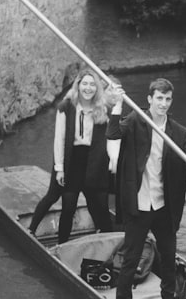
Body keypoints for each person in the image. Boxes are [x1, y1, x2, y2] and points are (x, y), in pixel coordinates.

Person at [107, 78, 186, 299]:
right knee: (131, 258)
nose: (163, 103)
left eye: (167, 99)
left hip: (163, 206)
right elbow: (113, 134)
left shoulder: (178, 133)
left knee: (169, 256)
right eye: (159, 98)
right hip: (139, 203)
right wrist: (118, 105)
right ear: (150, 99)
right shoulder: (135, 121)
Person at [28, 68, 121, 242]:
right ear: (78, 86)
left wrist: (118, 100)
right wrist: (59, 168)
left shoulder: (102, 108)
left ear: (97, 88)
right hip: (71, 160)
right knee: (67, 206)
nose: (88, 88)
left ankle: (108, 240)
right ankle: (50, 239)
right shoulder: (66, 107)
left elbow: (115, 130)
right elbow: (59, 140)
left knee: (99, 204)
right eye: (84, 83)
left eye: (92, 84)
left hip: (93, 161)